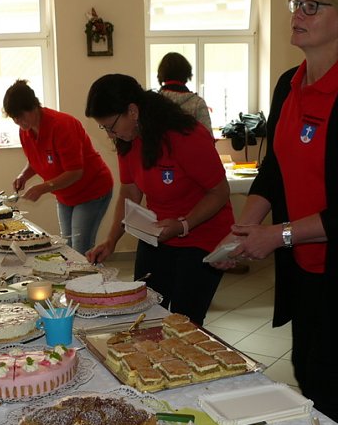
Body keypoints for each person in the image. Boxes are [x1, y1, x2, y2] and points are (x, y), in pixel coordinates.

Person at [214, 0, 338, 425]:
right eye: (297, 4)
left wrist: (277, 235)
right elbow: (275, 168)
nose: (298, 13)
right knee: (306, 373)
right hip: (302, 266)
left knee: (330, 387)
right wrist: (246, 229)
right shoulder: (288, 84)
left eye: (313, 5)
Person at [84, 74, 233, 325]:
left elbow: (219, 192)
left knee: (184, 322)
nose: (110, 135)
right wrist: (110, 241)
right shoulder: (128, 141)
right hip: (158, 236)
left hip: (201, 236)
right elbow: (129, 193)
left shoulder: (185, 136)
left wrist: (183, 224)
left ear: (132, 111)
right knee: (146, 313)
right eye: (105, 128)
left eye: (111, 126)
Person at [4, 80, 113, 255]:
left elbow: (75, 172)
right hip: (65, 194)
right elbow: (36, 159)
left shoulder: (62, 126)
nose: (18, 121)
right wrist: (24, 175)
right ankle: (75, 280)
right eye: (14, 118)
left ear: (33, 107)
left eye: (21, 116)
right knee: (67, 245)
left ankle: (87, 281)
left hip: (91, 190)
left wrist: (43, 188)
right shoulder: (26, 130)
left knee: (79, 248)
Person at [156, 52, 212, 132]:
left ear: (161, 74)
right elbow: (207, 138)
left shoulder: (153, 103)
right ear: (187, 73)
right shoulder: (197, 103)